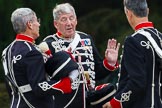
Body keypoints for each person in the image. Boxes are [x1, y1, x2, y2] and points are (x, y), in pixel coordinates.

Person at [42, 3, 120, 108]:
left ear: (76, 20)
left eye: (71, 18)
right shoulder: (48, 44)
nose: (69, 23)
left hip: (88, 101)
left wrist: (109, 63)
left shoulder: (86, 39)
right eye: (64, 19)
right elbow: (44, 80)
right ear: (56, 24)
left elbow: (96, 73)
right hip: (64, 103)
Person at [1, 8, 75, 108]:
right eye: (37, 20)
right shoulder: (31, 51)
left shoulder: (7, 50)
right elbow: (40, 87)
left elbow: (11, 86)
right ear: (29, 24)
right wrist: (68, 81)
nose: (39, 24)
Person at [102, 0, 162, 108]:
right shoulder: (160, 38)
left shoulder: (133, 41)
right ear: (147, 11)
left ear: (128, 13)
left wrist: (116, 102)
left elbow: (137, 82)